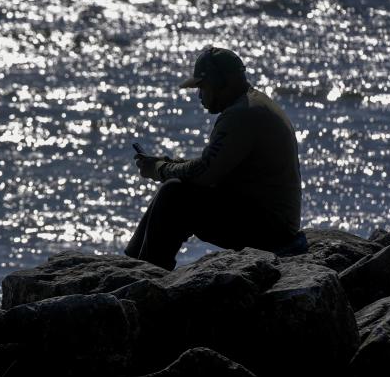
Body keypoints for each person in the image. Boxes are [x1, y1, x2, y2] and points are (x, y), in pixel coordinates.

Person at [124, 46, 302, 270]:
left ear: (220, 82)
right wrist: (168, 164)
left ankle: (148, 274)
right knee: (174, 188)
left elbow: (205, 174)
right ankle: (133, 265)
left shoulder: (241, 115)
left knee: (174, 196)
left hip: (271, 231)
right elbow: (215, 166)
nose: (199, 95)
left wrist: (160, 169)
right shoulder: (253, 104)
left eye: (202, 87)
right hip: (270, 220)